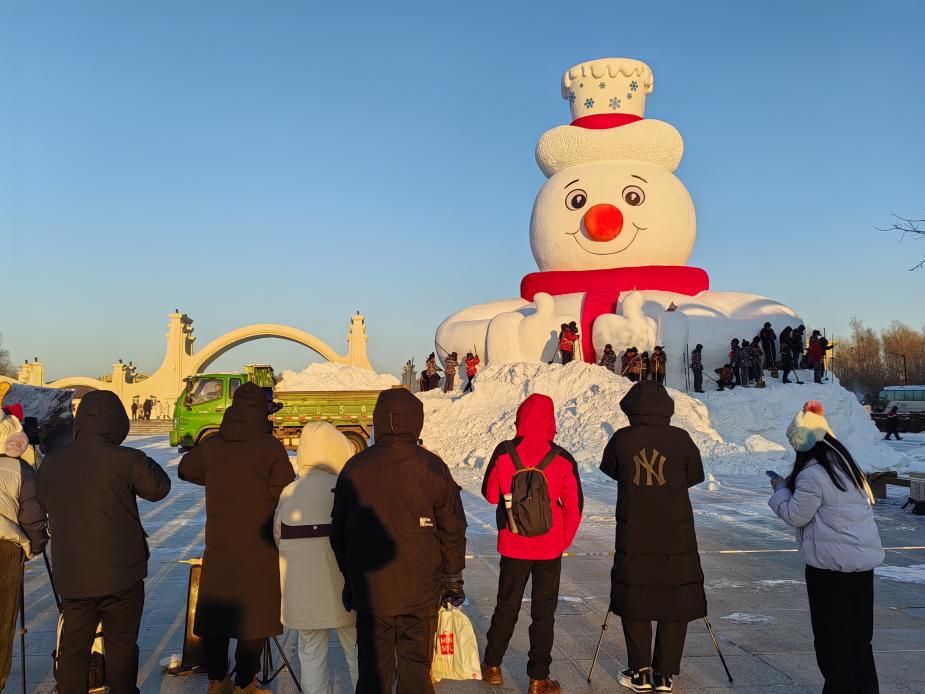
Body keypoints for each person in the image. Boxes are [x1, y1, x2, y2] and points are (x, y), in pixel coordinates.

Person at [331, 389, 467, 694]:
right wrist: (453, 576)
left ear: (379, 421)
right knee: (416, 668)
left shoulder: (355, 468)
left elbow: (338, 532)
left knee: (373, 671)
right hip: (420, 590)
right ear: (416, 422)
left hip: (372, 590)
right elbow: (453, 528)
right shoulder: (433, 467)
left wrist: (350, 579)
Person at [38, 391, 170, 694]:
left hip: (73, 571)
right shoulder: (127, 459)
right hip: (122, 570)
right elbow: (159, 488)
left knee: (74, 646)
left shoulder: (53, 462)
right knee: (121, 643)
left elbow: (43, 500)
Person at [178, 383, 295, 694]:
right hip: (259, 544)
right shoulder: (269, 447)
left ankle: (217, 680)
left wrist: (215, 476)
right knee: (255, 615)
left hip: (219, 542)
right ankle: (245, 682)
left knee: (218, 611)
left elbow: (185, 469)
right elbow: (285, 487)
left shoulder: (214, 445)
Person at [768, 401, 883, 693]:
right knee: (858, 641)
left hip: (830, 571)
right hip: (861, 567)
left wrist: (781, 491)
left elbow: (796, 515)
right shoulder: (846, 466)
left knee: (832, 641)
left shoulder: (813, 474)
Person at [600, 381, 706, 693]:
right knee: (675, 598)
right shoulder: (681, 439)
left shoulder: (622, 439)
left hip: (636, 532)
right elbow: (694, 476)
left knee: (636, 597)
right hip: (676, 535)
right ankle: (665, 675)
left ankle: (640, 671)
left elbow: (612, 470)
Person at [481, 394, 583, 694]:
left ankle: (493, 665)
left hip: (514, 544)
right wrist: (561, 541)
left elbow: (489, 495)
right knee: (544, 613)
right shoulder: (563, 458)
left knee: (506, 606)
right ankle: (539, 679)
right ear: (551, 421)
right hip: (549, 547)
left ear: (520, 418)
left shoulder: (504, 452)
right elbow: (575, 507)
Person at [275, 423, 359, 693]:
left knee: (310, 654)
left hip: (302, 588)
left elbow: (278, 535)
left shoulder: (290, 492)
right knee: (357, 651)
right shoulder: (347, 487)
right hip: (344, 586)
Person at [0, 413, 47, 691]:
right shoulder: (21, 470)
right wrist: (37, 545)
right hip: (6, 547)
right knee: (4, 617)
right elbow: (32, 515)